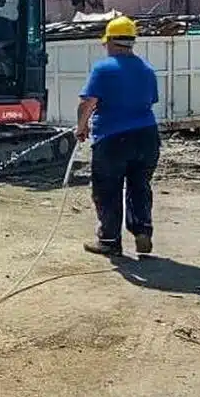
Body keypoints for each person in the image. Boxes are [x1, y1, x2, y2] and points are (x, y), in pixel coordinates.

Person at [75, 16, 160, 257]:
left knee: (108, 189)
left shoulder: (104, 68)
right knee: (139, 186)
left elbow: (87, 103)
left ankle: (110, 241)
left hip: (113, 140)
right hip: (147, 136)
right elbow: (150, 100)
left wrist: (81, 127)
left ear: (111, 41)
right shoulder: (146, 69)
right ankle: (142, 231)